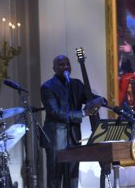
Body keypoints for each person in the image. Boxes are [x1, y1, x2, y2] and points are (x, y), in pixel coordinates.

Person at [40, 55, 104, 188]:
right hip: (55, 139)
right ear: (54, 68)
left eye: (68, 64)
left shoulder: (77, 84)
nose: (65, 67)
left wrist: (101, 100)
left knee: (73, 177)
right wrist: (82, 113)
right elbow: (55, 112)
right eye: (61, 64)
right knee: (55, 178)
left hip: (74, 137)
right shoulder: (47, 87)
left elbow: (90, 98)